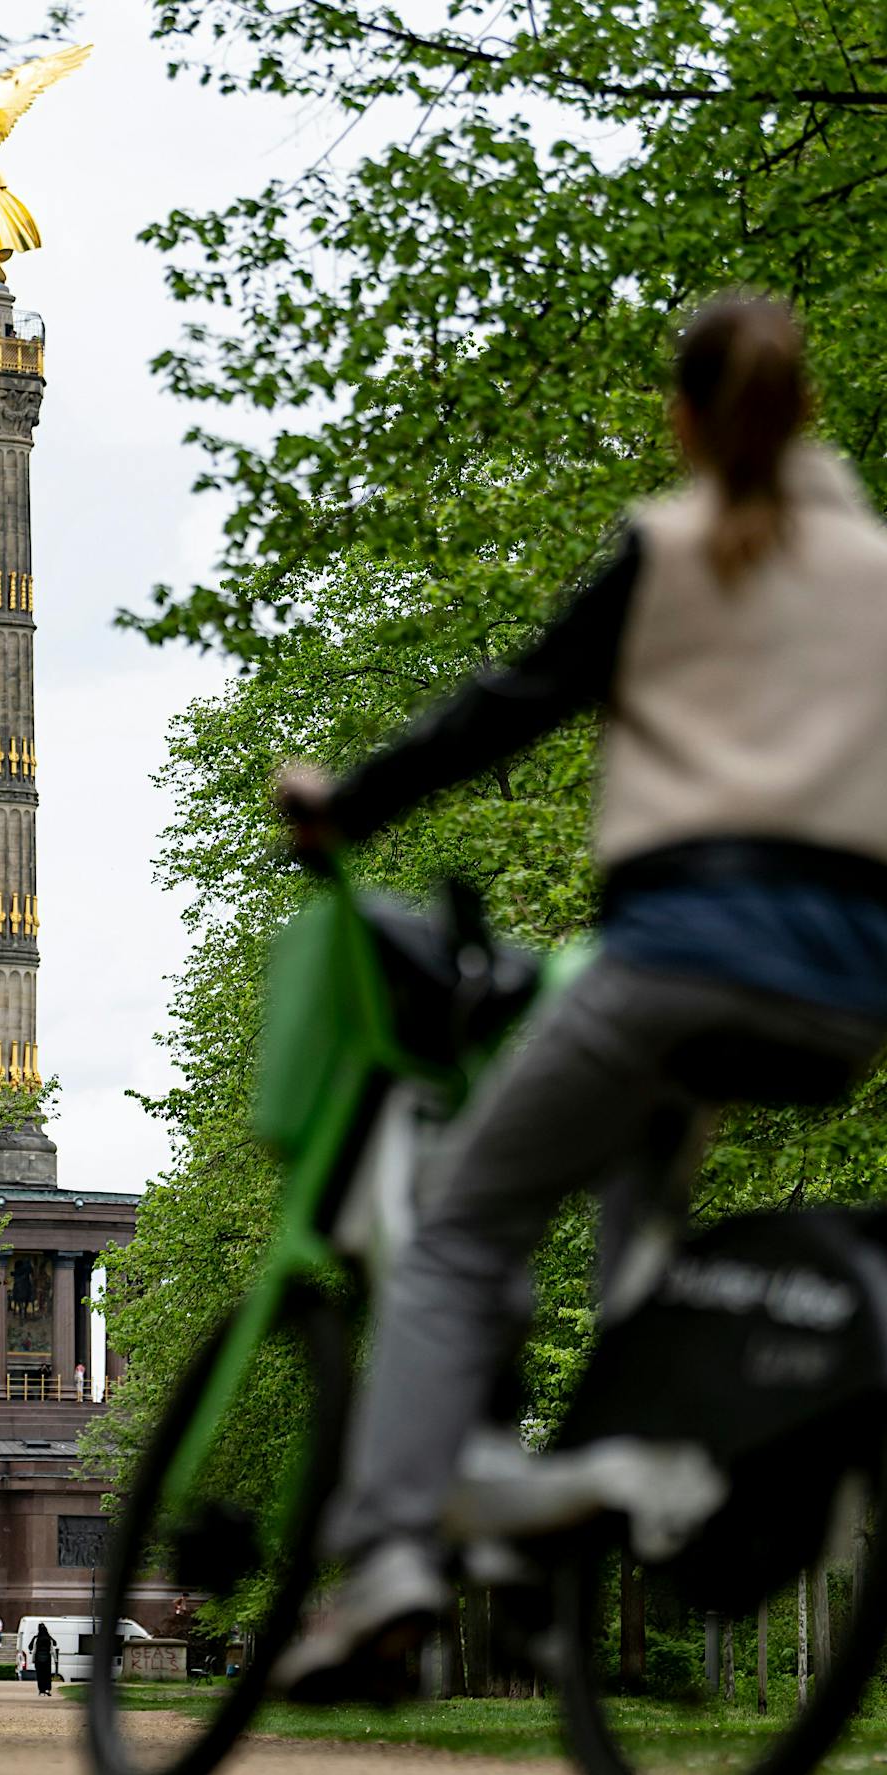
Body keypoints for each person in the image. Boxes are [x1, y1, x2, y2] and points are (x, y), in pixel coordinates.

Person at [271, 292, 887, 1699]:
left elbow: (512, 704)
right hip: (851, 990)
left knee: (466, 1227)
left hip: (675, 961)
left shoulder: (667, 551)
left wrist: (344, 804)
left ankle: (389, 1569)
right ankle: (642, 1434)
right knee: (644, 1192)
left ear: (683, 419)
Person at [31, 1622, 56, 1695]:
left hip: (38, 1659)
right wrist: (55, 1659)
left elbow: (34, 1651)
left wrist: (33, 1659)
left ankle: (41, 1690)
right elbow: (52, 1650)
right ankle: (47, 1689)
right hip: (47, 1659)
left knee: (40, 1675)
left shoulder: (37, 1639)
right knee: (47, 1675)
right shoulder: (49, 1639)